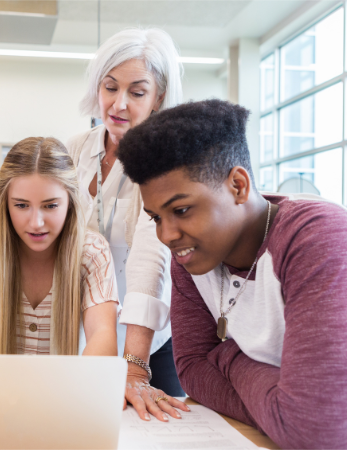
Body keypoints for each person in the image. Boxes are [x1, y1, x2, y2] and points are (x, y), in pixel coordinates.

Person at [117, 99, 347, 448]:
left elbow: (315, 430)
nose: (167, 235)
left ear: (238, 185)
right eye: (156, 217)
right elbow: (193, 371)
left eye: (181, 209)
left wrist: (225, 355)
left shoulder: (317, 238)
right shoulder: (193, 253)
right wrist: (284, 406)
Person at [67, 27, 189, 421]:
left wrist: (135, 366)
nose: (118, 104)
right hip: (86, 334)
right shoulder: (74, 150)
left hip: (149, 342)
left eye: (137, 92)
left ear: (159, 98)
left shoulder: (165, 163)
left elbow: (149, 261)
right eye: (110, 87)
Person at [0, 137, 118, 356]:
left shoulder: (93, 251)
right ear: (5, 202)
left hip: (69, 389)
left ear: (70, 201)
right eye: (22, 205)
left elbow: (103, 334)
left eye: (50, 205)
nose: (36, 223)